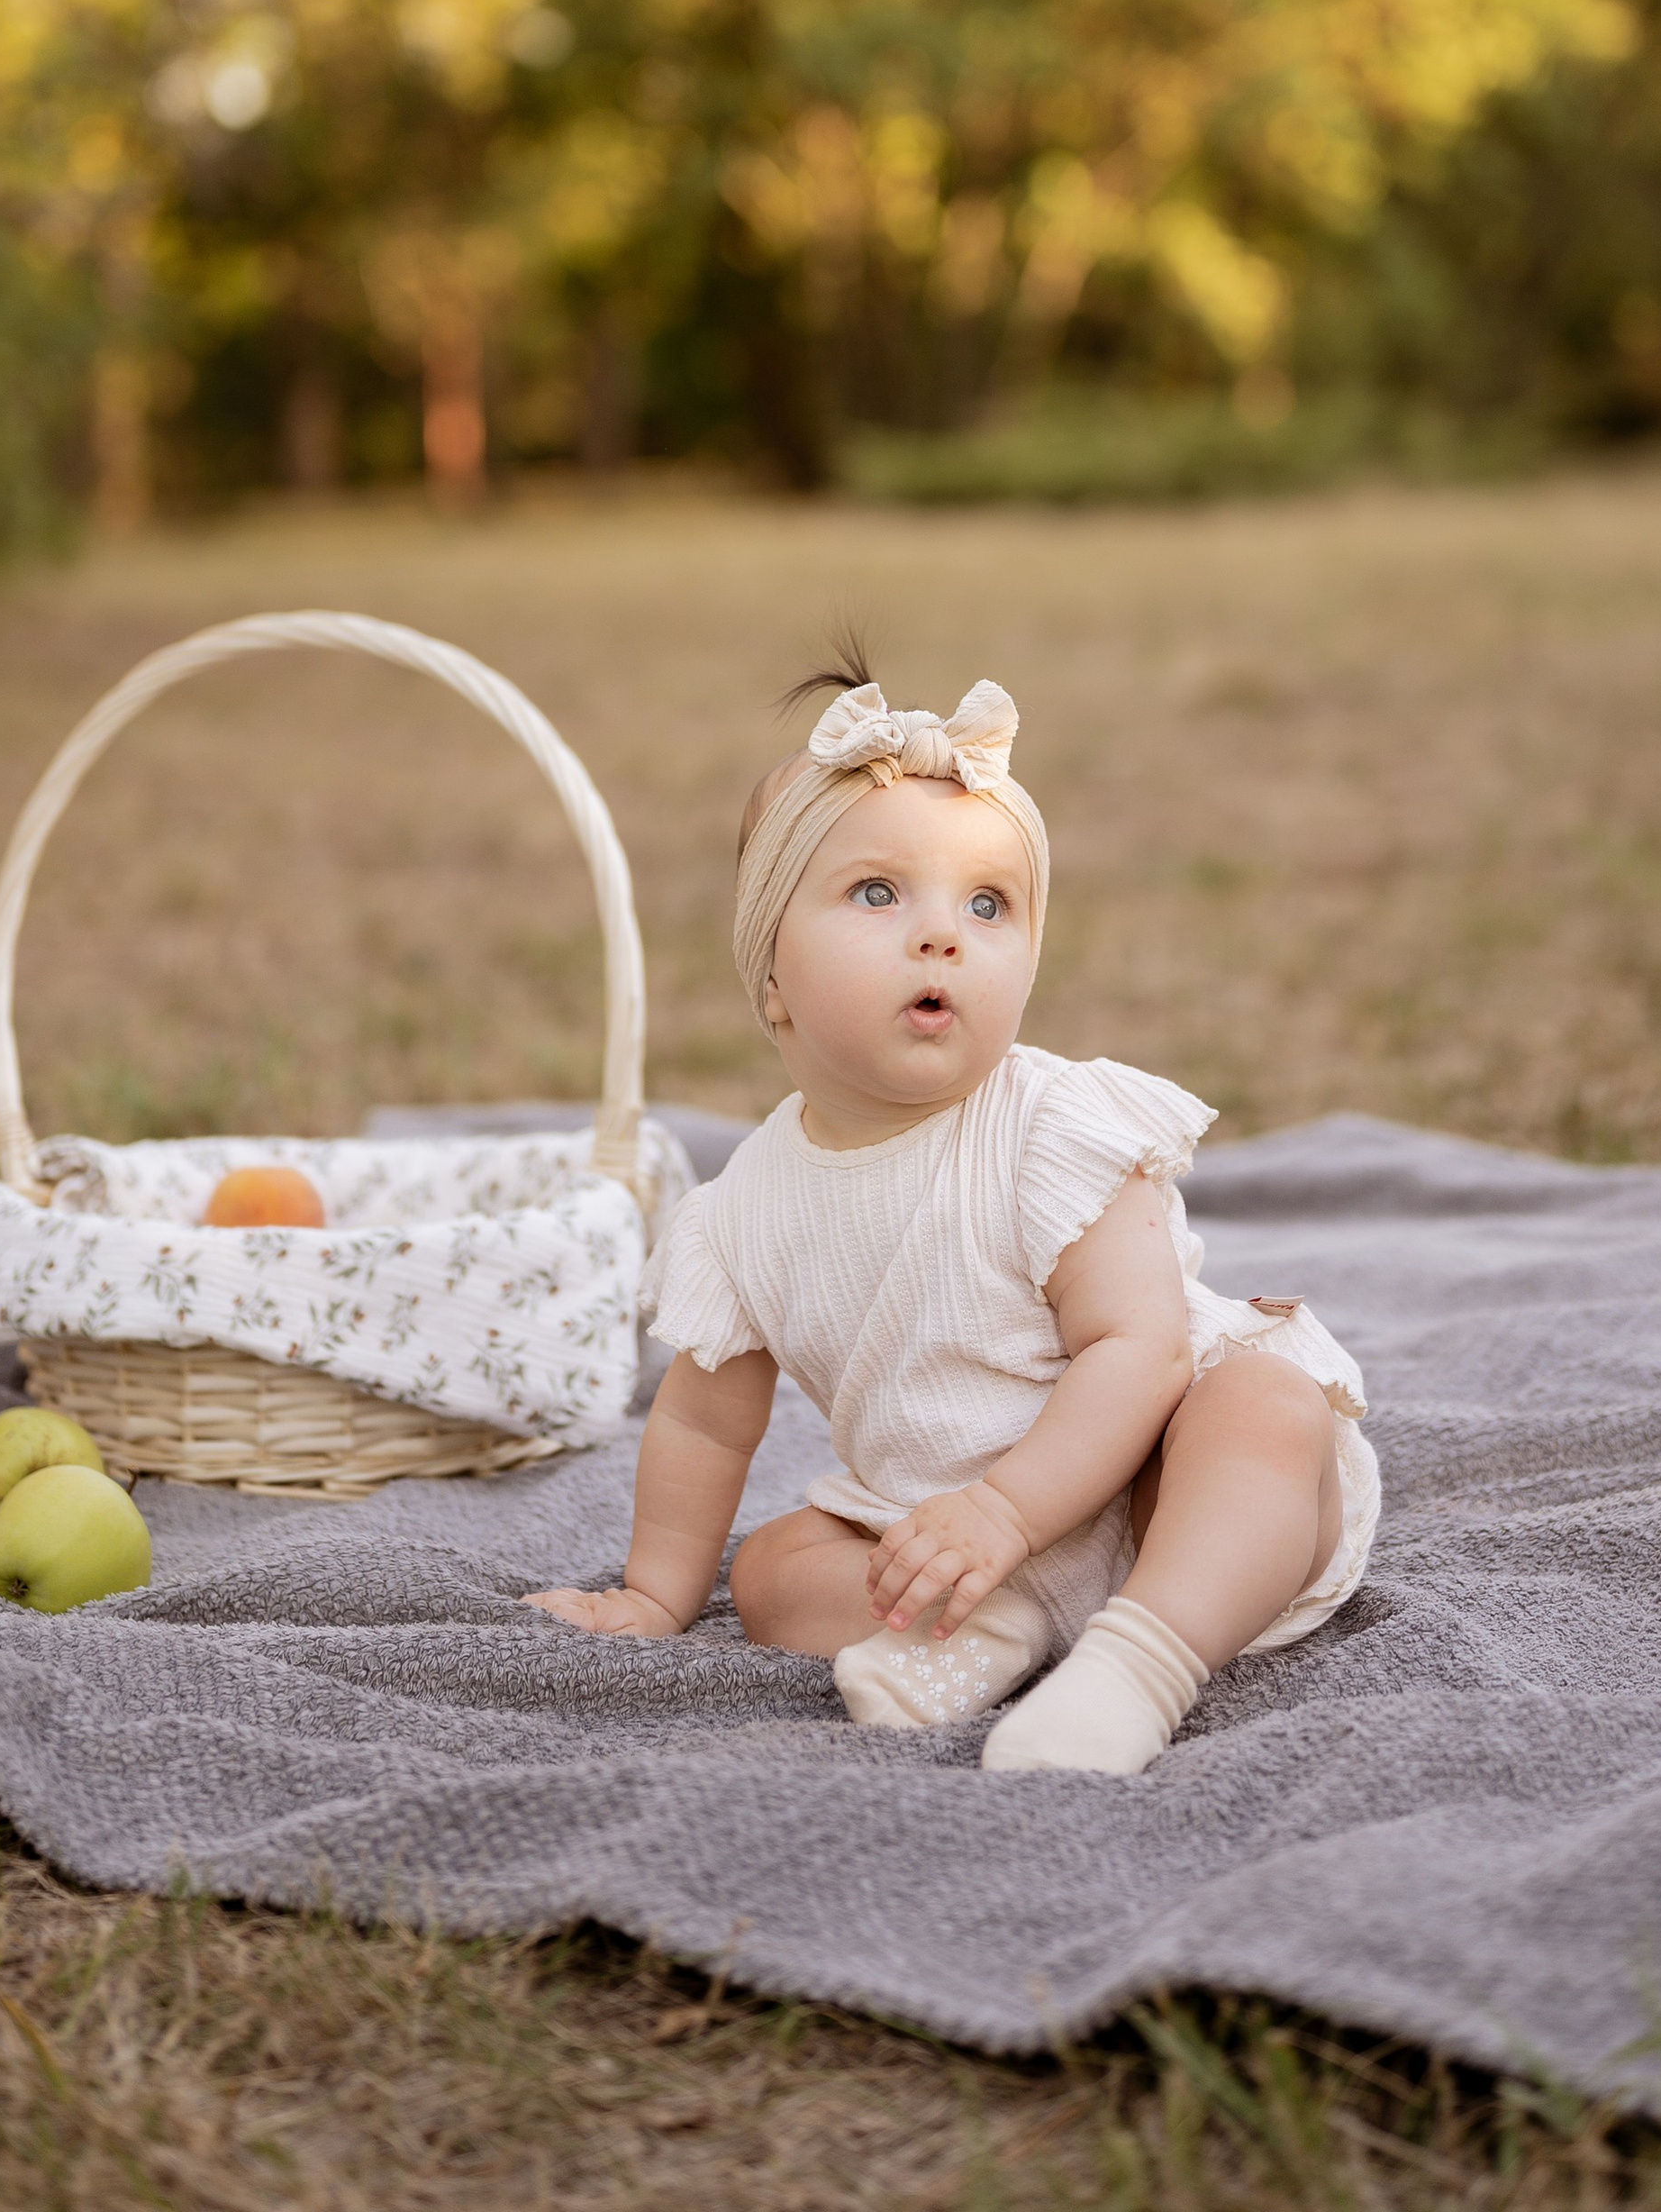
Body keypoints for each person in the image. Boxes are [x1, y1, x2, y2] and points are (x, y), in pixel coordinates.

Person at [526, 663, 1378, 1771]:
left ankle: (1140, 1664)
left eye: (987, 903)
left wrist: (1009, 1513)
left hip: (1152, 1488)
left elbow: (1141, 1344)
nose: (942, 934)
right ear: (770, 976)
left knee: (1265, 1406)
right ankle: (983, 1630)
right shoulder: (740, 1208)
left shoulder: (1049, 1126)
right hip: (936, 1533)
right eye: (879, 892)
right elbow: (702, 1423)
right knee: (773, 1564)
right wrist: (652, 1592)